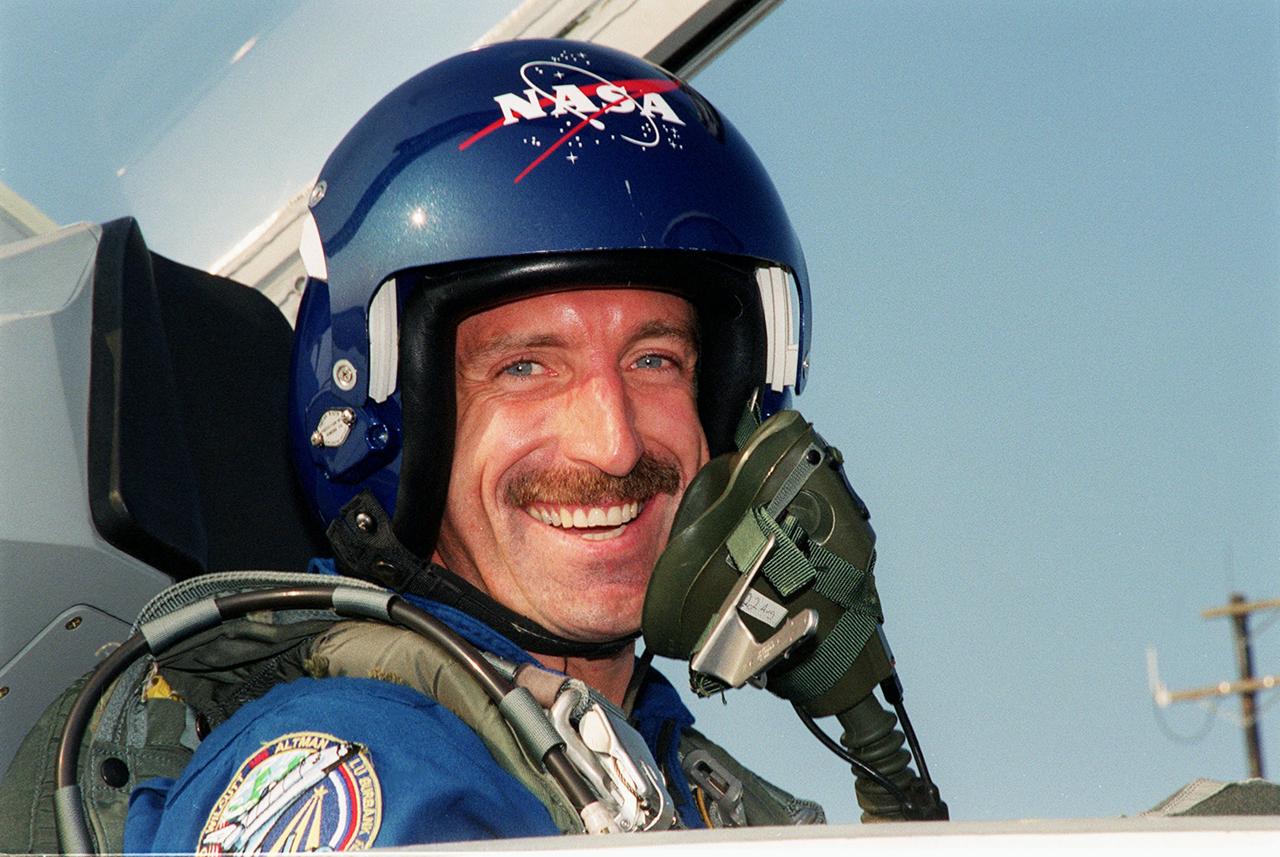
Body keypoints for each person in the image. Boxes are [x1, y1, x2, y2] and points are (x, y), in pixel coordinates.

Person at [14, 38, 852, 851]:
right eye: (526, 366)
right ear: (394, 423)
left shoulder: (672, 782)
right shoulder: (369, 769)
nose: (614, 442)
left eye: (655, 358)